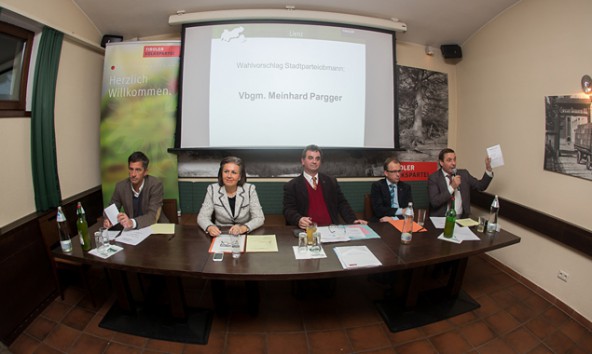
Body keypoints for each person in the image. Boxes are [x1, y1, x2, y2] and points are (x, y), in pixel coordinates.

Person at [283, 144, 366, 228]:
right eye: (310, 158)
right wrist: (299, 219)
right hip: (307, 232)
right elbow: (288, 210)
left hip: (332, 230)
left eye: (317, 158)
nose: (314, 161)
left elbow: (342, 204)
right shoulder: (292, 185)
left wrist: (353, 220)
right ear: (303, 161)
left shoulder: (331, 182)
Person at [197, 156, 265, 236]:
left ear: (239, 177)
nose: (229, 176)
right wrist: (210, 227)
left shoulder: (250, 189)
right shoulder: (212, 189)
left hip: (243, 232)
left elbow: (259, 218)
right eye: (226, 171)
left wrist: (243, 228)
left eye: (234, 172)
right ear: (221, 173)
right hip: (220, 232)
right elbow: (202, 217)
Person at [104, 151, 168, 229]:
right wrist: (109, 219)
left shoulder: (155, 185)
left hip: (157, 228)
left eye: (138, 170)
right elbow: (111, 208)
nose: (133, 174)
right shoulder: (121, 186)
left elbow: (153, 216)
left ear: (145, 172)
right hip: (133, 232)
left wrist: (131, 222)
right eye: (131, 169)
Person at [428, 148, 493, 218]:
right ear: (441, 162)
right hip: (442, 219)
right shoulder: (434, 178)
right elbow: (434, 202)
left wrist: (488, 169)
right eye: (449, 160)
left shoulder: (464, 174)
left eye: (454, 159)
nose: (454, 163)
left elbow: (481, 186)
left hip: (462, 219)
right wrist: (452, 187)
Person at [370, 156, 413, 222]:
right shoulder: (377, 186)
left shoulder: (405, 187)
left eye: (399, 171)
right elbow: (378, 210)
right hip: (383, 221)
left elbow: (409, 210)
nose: (398, 174)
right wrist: (401, 211)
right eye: (394, 172)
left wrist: (394, 219)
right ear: (386, 173)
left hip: (401, 221)